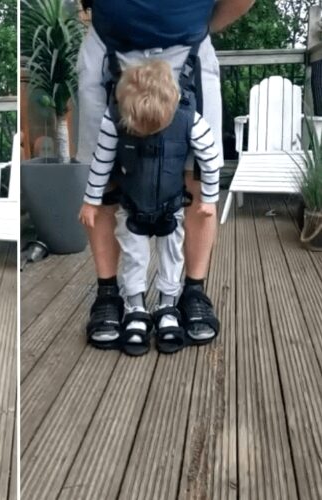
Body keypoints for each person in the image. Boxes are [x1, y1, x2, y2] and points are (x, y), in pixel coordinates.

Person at [77, 0, 255, 348]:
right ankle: (110, 296)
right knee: (105, 177)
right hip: (107, 47)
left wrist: (191, 25)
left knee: (196, 174)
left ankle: (191, 293)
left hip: (187, 49)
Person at [79, 59, 221, 355]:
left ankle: (168, 307)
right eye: (139, 127)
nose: (146, 132)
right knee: (135, 257)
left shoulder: (187, 117)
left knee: (172, 257)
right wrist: (91, 201)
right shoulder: (114, 117)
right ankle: (135, 308)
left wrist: (208, 197)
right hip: (132, 209)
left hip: (171, 208)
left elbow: (210, 157)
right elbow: (101, 163)